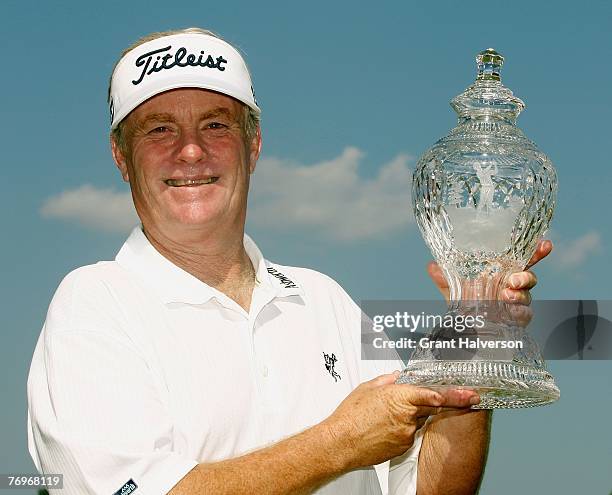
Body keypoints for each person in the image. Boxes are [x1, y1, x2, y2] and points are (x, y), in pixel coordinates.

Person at [27, 28, 550, 495]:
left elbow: (430, 488)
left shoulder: (324, 298)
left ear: (253, 145)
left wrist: (471, 358)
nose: (190, 151)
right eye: (159, 129)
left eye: (215, 125)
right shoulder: (96, 302)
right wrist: (340, 442)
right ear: (121, 156)